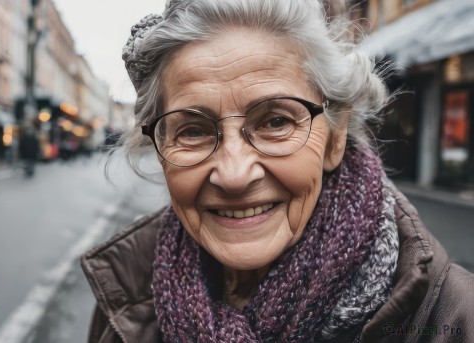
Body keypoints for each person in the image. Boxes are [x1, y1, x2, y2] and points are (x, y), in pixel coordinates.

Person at [80, 1, 474, 342]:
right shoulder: (126, 299)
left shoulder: (451, 320)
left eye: (275, 122)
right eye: (193, 131)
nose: (234, 174)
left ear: (335, 138)